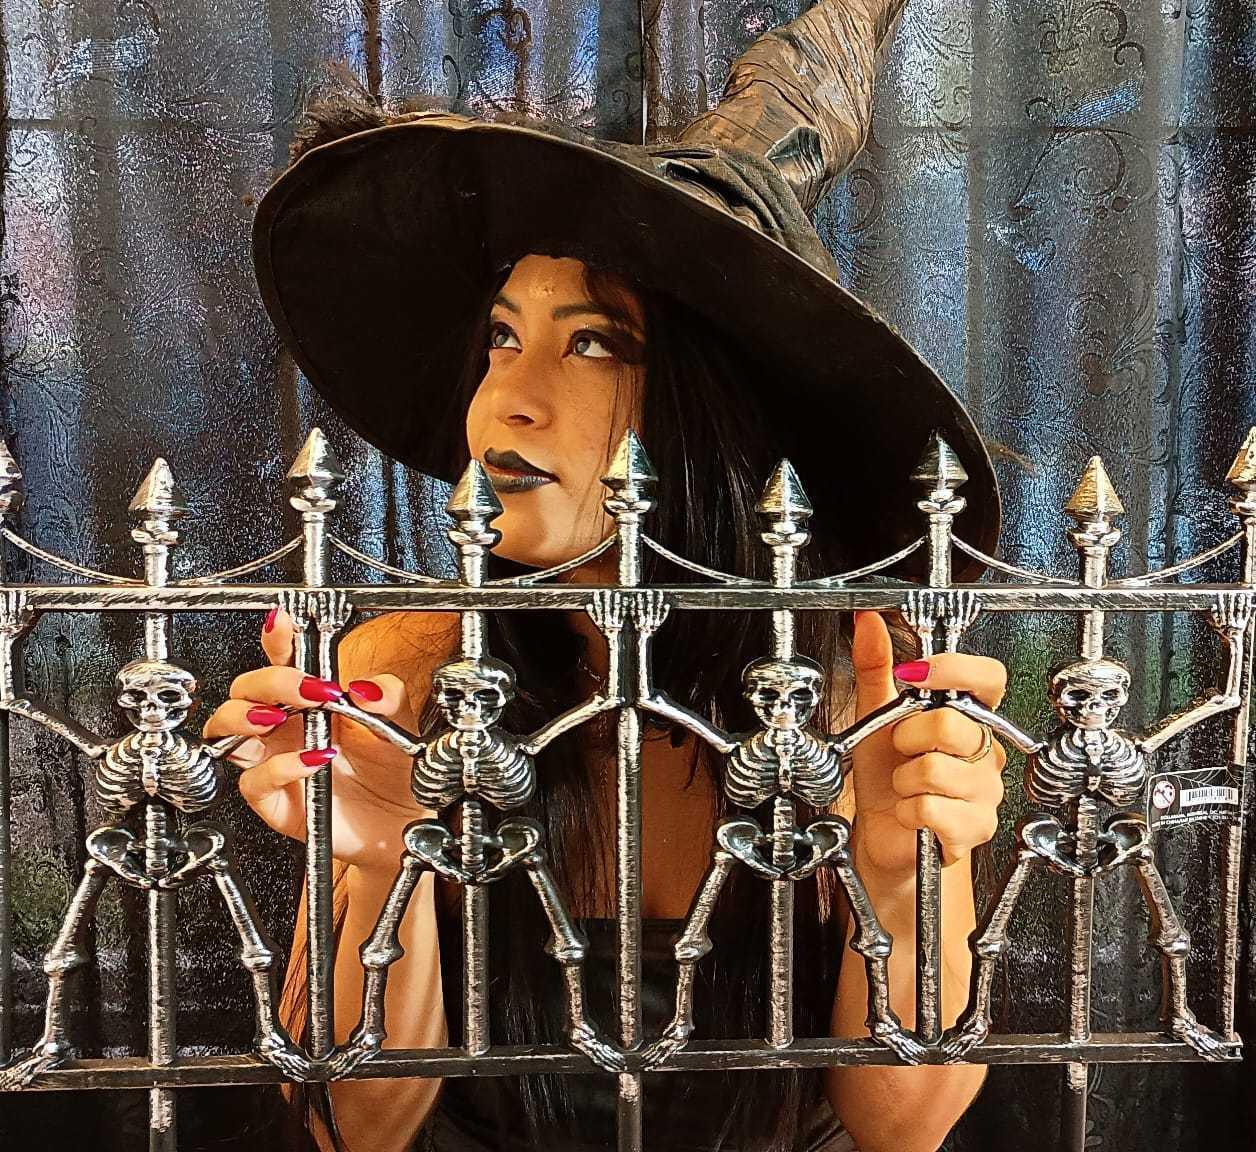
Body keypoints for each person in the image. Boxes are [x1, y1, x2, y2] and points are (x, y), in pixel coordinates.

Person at [210, 2, 1011, 1149]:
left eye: (590, 342)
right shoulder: (402, 676)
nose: (506, 399)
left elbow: (903, 1127)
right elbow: (351, 1126)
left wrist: (899, 871)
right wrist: (383, 860)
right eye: (501, 336)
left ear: (711, 415)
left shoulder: (861, 697)